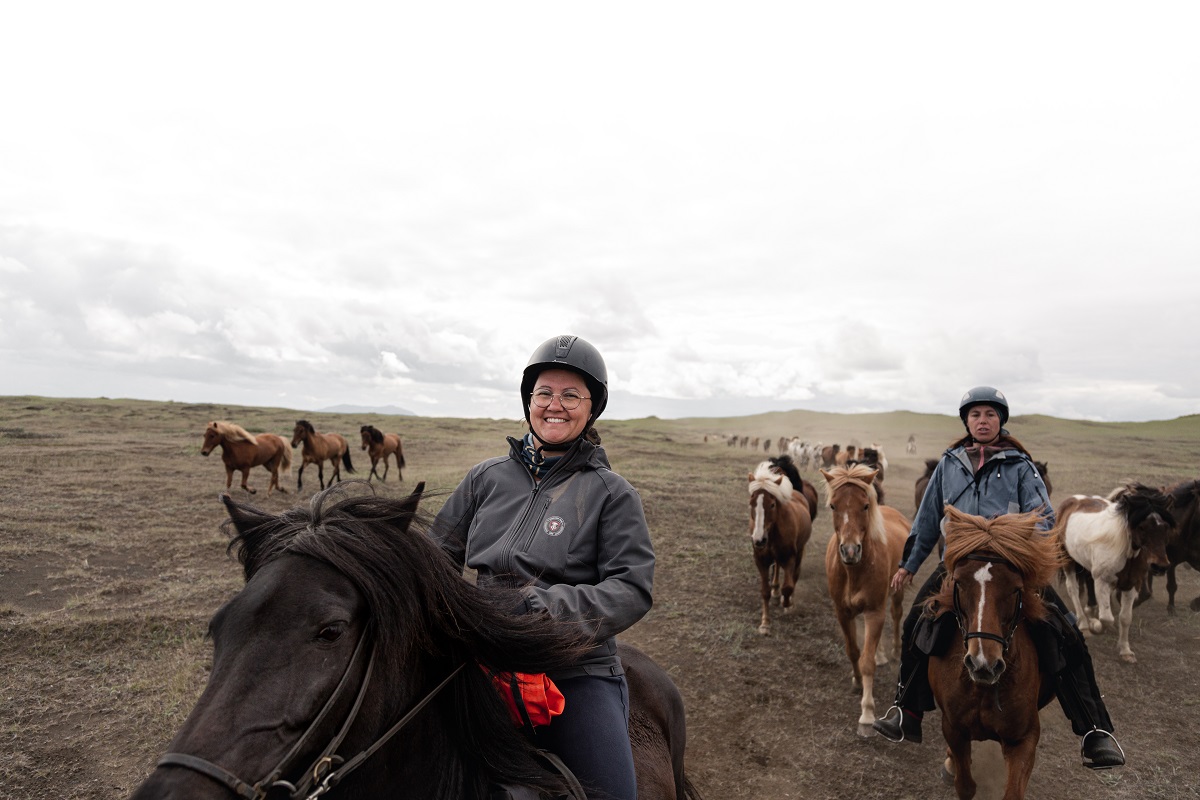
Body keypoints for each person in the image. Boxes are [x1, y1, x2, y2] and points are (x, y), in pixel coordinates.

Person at [431, 335, 655, 800]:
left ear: (591, 409)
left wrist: (537, 607)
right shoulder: (485, 478)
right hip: (483, 655)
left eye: (571, 395)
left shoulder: (611, 493)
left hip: (576, 668)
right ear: (528, 402)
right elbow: (436, 556)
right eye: (544, 394)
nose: (555, 405)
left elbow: (632, 588)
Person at [872, 386, 1125, 770]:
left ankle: (1095, 732)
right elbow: (926, 522)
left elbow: (1043, 518)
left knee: (1067, 632)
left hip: (1008, 567)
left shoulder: (1020, 466)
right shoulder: (949, 464)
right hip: (958, 566)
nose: (983, 421)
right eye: (975, 415)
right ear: (967, 422)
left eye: (990, 414)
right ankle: (906, 711)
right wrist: (908, 565)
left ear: (1001, 421)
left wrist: (1012, 538)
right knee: (914, 624)